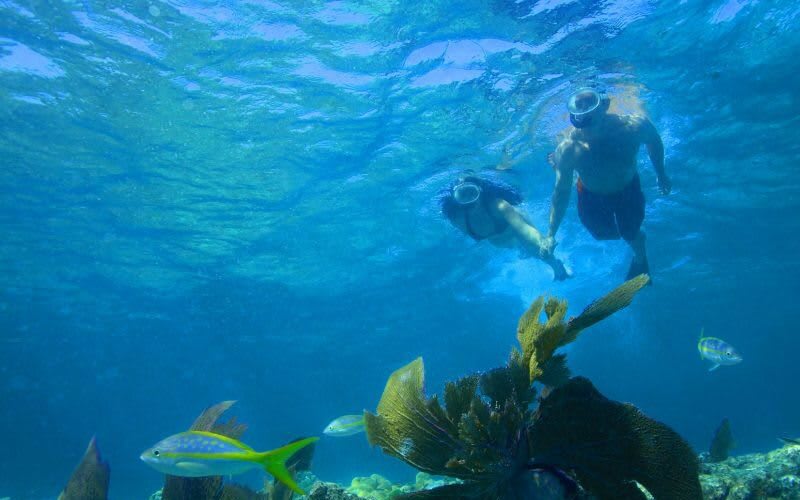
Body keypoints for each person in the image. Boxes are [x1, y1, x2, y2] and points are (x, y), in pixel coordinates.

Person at [541, 88, 671, 279]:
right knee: (602, 234)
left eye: (590, 103)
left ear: (605, 105)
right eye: (580, 105)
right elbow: (561, 191)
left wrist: (661, 174)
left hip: (628, 189)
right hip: (590, 193)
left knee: (631, 232)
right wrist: (551, 233)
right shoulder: (570, 148)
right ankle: (561, 168)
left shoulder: (633, 127)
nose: (584, 110)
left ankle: (640, 259)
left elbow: (654, 141)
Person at [442, 173, 569, 281]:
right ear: (456, 200)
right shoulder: (458, 220)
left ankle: (557, 266)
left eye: (472, 193)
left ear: (480, 193)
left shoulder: (499, 206)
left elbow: (524, 229)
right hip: (500, 240)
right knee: (524, 251)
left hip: (517, 227)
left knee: (535, 248)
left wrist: (542, 242)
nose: (471, 200)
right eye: (463, 195)